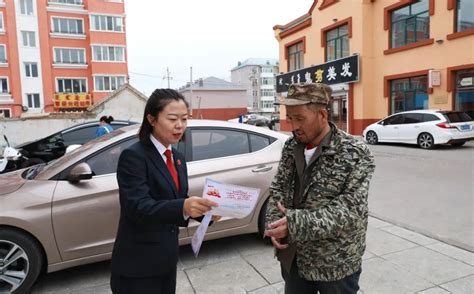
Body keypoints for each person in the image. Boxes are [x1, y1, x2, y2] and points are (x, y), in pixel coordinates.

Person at [264, 83, 375, 294]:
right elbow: (278, 188)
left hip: (334, 263)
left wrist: (293, 224)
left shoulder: (355, 152)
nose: (293, 125)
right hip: (294, 256)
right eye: (290, 118)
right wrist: (274, 225)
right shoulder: (291, 146)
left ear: (322, 115)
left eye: (300, 118)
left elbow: (349, 211)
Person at [110, 89, 220, 294]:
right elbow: (138, 207)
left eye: (184, 119)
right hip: (137, 267)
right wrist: (184, 206)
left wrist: (207, 213)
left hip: (166, 260)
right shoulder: (134, 156)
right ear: (151, 118)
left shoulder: (177, 157)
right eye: (172, 119)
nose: (180, 125)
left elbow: (176, 200)